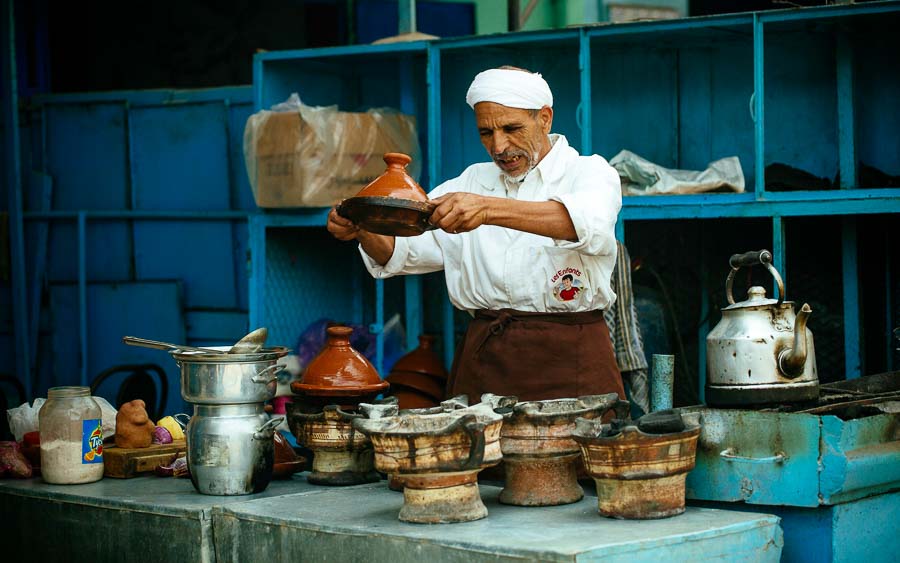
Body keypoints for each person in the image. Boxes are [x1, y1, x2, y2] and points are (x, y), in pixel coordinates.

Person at [327, 66, 625, 402]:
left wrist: (486, 210)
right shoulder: (468, 184)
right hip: (486, 362)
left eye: (512, 128)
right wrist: (363, 228)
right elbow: (400, 251)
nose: (499, 146)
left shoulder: (589, 172)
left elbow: (584, 224)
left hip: (572, 362)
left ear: (545, 118)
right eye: (486, 133)